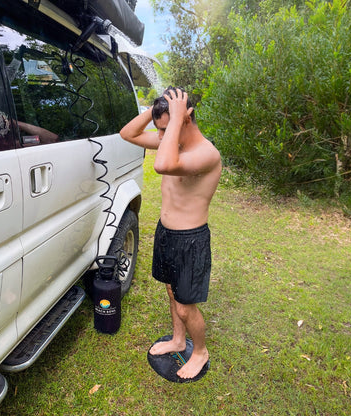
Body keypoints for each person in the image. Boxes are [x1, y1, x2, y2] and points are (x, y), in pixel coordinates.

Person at [120, 87, 221, 380]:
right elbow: (127, 134)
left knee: (186, 307)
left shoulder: (205, 153)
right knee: (170, 291)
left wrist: (174, 119)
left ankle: (200, 352)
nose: (160, 136)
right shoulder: (170, 140)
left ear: (185, 119)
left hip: (190, 240)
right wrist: (155, 115)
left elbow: (162, 165)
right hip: (167, 234)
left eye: (165, 128)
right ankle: (178, 340)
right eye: (158, 130)